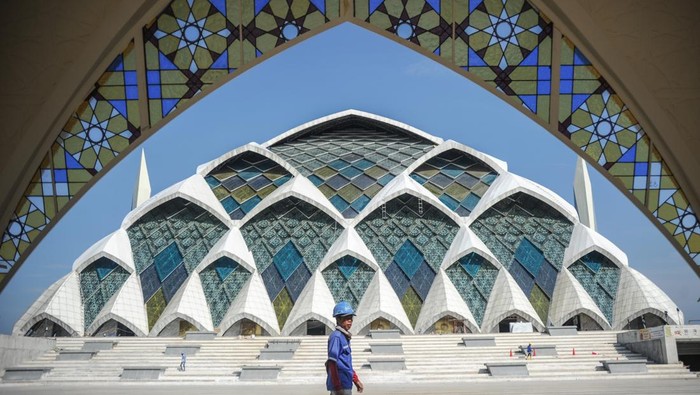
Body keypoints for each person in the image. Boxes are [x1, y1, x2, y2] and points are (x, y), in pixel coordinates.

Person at [326, 301, 364, 394]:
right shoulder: (336, 337)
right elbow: (332, 363)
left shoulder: (344, 337)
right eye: (346, 319)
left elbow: (346, 364)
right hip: (340, 386)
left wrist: (355, 380)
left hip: (346, 383)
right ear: (338, 319)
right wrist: (337, 386)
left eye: (351, 318)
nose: (350, 321)